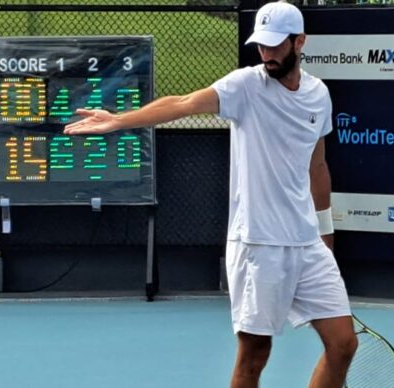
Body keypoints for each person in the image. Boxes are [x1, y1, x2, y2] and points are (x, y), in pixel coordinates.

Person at [64, 2, 357, 387]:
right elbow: (184, 103)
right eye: (261, 46)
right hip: (258, 244)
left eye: (275, 45)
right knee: (254, 355)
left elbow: (316, 166)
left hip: (306, 244)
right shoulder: (245, 86)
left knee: (343, 344)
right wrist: (119, 121)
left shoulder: (319, 95)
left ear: (299, 42)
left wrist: (324, 233)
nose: (266, 54)